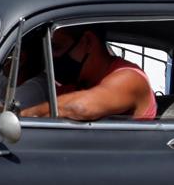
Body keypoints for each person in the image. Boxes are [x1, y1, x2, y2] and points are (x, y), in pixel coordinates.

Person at [19, 26, 156, 121]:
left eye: (57, 47)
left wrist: (21, 116)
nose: (53, 57)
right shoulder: (73, 85)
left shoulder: (129, 77)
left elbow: (80, 107)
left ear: (88, 42)